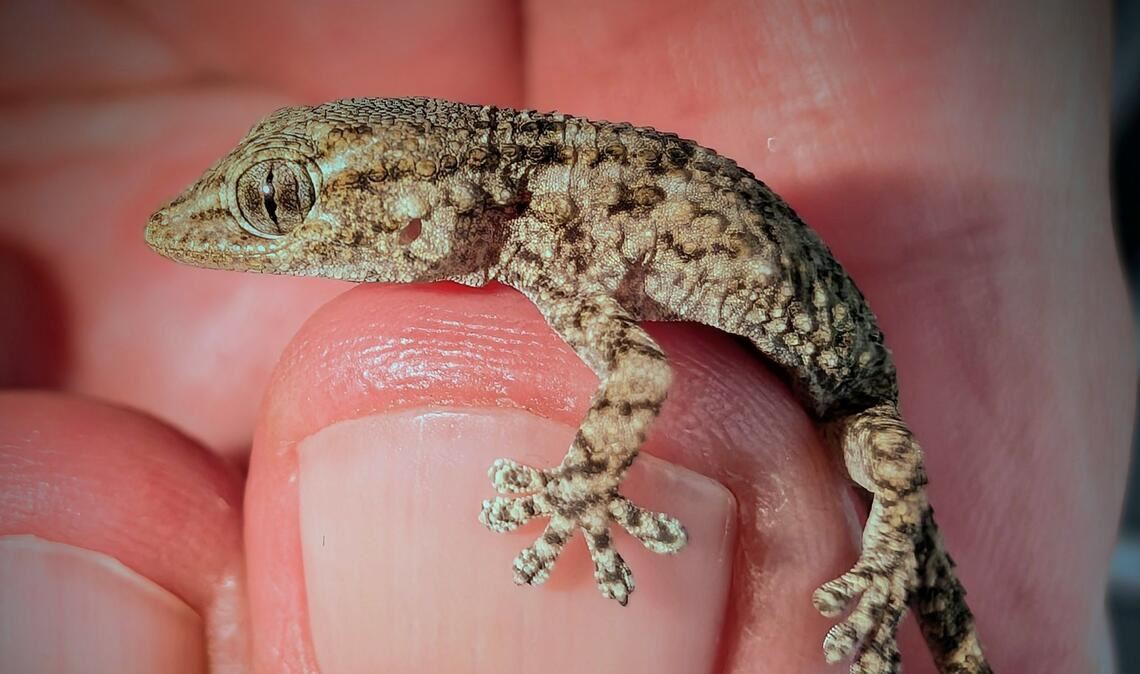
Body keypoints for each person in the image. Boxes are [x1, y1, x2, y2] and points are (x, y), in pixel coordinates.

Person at [0, 1, 1129, 672]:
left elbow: (639, 372)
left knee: (882, 474)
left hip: (849, 402)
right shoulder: (537, 223)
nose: (244, 224)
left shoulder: (556, 236)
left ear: (420, 203)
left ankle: (901, 570)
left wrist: (583, 488)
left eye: (283, 201)